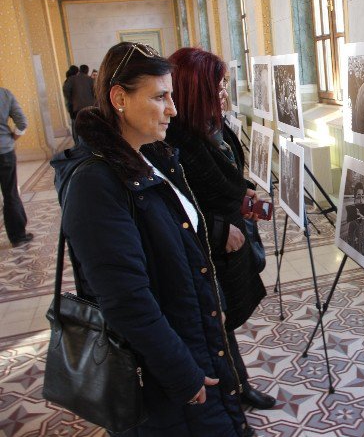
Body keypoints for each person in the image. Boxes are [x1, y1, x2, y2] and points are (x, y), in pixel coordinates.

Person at [50, 42, 252, 436]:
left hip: (195, 339)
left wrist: (215, 306)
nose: (173, 109)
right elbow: (127, 299)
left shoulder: (150, 156)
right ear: (119, 98)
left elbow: (187, 249)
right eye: (160, 97)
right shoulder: (96, 182)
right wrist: (182, 374)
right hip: (165, 372)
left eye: (172, 95)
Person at [164, 47, 275, 412]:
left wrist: (241, 195)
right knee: (215, 324)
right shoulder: (174, 141)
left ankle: (239, 387)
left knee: (223, 323)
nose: (225, 92)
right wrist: (216, 230)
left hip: (229, 239)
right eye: (219, 85)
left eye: (225, 84)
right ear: (196, 90)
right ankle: (229, 399)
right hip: (206, 249)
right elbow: (174, 208)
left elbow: (223, 178)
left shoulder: (212, 127)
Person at [0, 87, 32, 247]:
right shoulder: (4, 94)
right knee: (10, 193)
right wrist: (12, 137)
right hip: (4, 150)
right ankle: (18, 236)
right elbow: (22, 122)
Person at [63, 64, 95, 144]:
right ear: (87, 71)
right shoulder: (90, 80)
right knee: (90, 126)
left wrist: (71, 99)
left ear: (79, 70)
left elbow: (66, 90)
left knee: (77, 127)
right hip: (91, 107)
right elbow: (96, 92)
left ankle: (78, 145)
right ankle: (91, 144)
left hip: (77, 107)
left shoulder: (72, 79)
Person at [62, 65, 79, 136]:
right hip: (73, 105)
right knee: (76, 123)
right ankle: (77, 141)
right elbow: (67, 92)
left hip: (71, 105)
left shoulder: (68, 80)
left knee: (75, 122)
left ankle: (77, 141)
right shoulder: (72, 80)